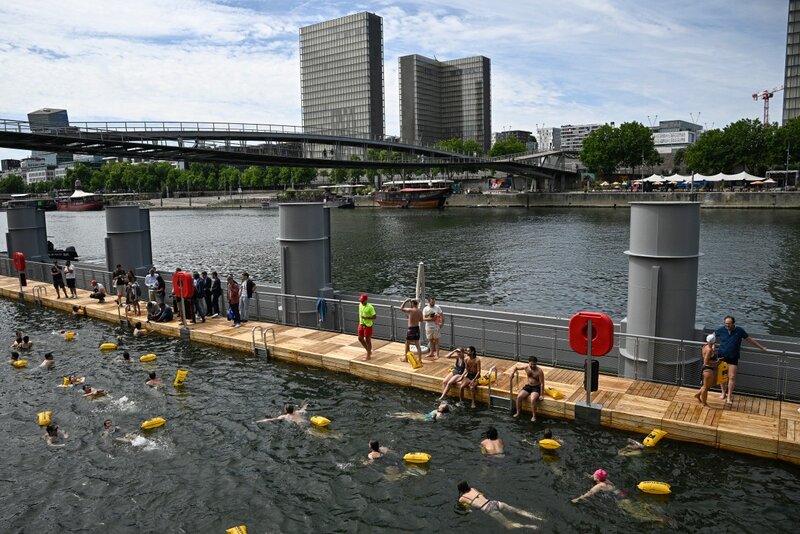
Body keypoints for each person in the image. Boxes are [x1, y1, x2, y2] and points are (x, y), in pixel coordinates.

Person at [716, 315, 767, 406]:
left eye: (729, 323)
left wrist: (761, 347)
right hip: (722, 356)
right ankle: (723, 393)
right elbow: (712, 336)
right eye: (725, 323)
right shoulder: (721, 329)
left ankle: (729, 396)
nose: (727, 325)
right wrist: (711, 345)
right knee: (722, 376)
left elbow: (750, 340)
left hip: (733, 357)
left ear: (733, 323)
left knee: (731, 377)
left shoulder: (739, 330)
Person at [458, 481, 541, 530]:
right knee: (516, 510)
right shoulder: (473, 489)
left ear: (460, 490)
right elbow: (482, 494)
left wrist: (469, 510)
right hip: (494, 502)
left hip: (488, 509)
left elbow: (467, 508)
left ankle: (529, 526)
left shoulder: (461, 498)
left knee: (509, 525)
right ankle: (537, 518)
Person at [512, 356, 546, 422]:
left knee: (532, 399)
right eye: (531, 364)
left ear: (536, 363)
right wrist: (512, 373)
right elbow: (516, 367)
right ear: (528, 362)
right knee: (519, 397)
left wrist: (541, 394)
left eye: (534, 364)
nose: (533, 366)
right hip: (529, 386)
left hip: (536, 387)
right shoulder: (526, 367)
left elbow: (542, 383)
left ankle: (533, 416)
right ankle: (518, 412)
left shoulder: (539, 371)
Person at [694, 334, 718, 406]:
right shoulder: (709, 350)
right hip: (708, 369)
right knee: (705, 387)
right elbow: (706, 361)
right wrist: (716, 362)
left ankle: (698, 395)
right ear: (714, 342)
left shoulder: (705, 346)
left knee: (707, 386)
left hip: (706, 368)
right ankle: (704, 403)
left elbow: (710, 348)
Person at [357, 294, 376, 360]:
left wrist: (367, 317)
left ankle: (368, 356)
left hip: (368, 326)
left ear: (366, 300)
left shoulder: (370, 307)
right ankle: (369, 351)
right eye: (361, 301)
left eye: (362, 301)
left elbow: (374, 317)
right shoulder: (360, 305)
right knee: (360, 338)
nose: (361, 302)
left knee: (368, 340)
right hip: (361, 324)